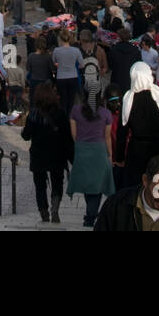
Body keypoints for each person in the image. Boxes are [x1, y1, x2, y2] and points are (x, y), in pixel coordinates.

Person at [117, 62, 159, 190]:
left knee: (137, 189)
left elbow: (122, 132)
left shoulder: (128, 100)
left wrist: (119, 156)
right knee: (158, 188)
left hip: (137, 151)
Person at [21, 82, 74, 223]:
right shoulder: (60, 113)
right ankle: (55, 209)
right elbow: (67, 137)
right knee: (57, 183)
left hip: (38, 154)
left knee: (40, 185)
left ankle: (43, 212)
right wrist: (72, 157)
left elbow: (26, 135)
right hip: (57, 154)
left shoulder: (33, 114)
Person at [67, 73, 115, 227]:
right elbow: (107, 137)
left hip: (82, 150)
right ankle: (90, 216)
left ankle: (90, 214)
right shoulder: (106, 114)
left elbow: (74, 135)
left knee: (88, 185)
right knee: (97, 186)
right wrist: (110, 155)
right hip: (99, 150)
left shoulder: (75, 111)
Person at [52, 31, 83, 112]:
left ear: (60, 39)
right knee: (71, 100)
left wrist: (60, 65)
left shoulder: (56, 50)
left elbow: (54, 62)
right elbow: (82, 64)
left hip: (61, 77)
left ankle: (64, 118)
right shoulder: (76, 50)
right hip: (73, 77)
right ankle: (70, 118)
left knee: (63, 100)